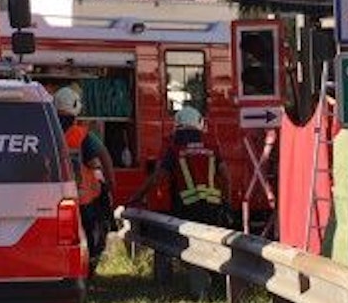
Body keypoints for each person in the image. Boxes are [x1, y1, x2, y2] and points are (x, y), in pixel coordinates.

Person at [125, 106, 230, 227]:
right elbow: (226, 176)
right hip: (213, 208)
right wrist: (227, 203)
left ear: (178, 123)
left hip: (186, 209)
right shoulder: (211, 145)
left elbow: (158, 177)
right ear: (198, 122)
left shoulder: (175, 147)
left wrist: (137, 196)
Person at [54, 86, 116, 263]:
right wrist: (111, 185)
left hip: (52, 198)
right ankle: (90, 264)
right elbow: (102, 156)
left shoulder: (46, 130)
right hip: (84, 200)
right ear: (76, 106)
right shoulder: (81, 134)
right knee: (91, 237)